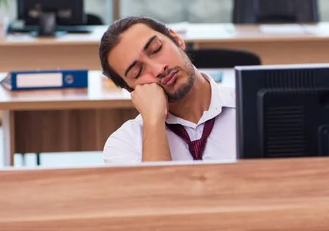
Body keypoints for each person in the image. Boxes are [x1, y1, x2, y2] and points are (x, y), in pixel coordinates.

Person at [99, 16, 236, 164]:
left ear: (177, 39)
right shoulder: (124, 144)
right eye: (138, 72)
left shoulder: (253, 108)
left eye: (156, 49)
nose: (159, 69)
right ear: (131, 90)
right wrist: (154, 121)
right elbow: (158, 188)